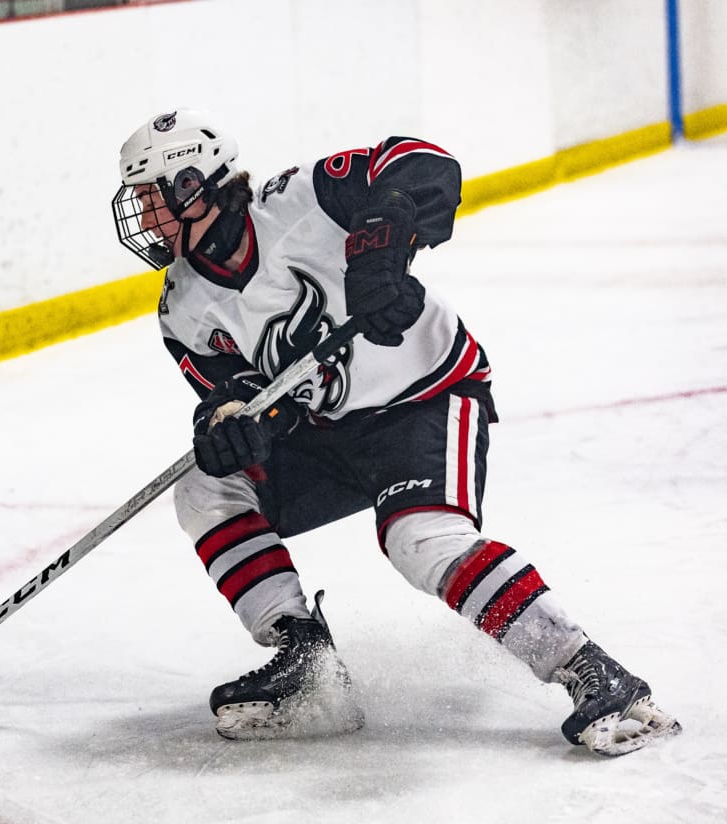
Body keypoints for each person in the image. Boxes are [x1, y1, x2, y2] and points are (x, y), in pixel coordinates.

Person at [111, 108, 681, 755]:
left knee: (418, 541)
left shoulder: (300, 200)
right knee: (204, 487)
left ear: (194, 187)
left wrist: (380, 242)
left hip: (427, 397)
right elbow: (233, 394)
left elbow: (419, 161)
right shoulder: (182, 305)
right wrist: (228, 425)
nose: (145, 219)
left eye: (151, 200)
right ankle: (308, 666)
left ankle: (597, 674)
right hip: (328, 434)